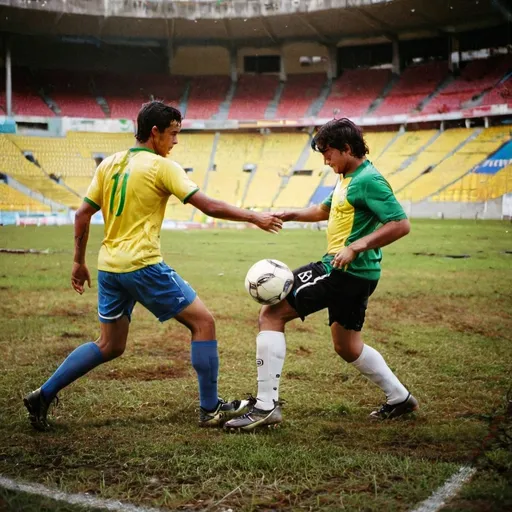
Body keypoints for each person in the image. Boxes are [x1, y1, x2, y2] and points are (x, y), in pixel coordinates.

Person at [24, 100, 283, 431]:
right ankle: (210, 409)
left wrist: (78, 262)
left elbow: (82, 213)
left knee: (110, 345)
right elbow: (208, 206)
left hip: (110, 268)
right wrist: (254, 216)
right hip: (143, 265)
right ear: (155, 132)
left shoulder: (109, 164)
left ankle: (42, 395)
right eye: (173, 134)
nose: (175, 141)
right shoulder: (162, 167)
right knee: (204, 323)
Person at [224, 118, 418, 432]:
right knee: (347, 346)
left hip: (343, 269)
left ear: (346, 148)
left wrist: (356, 246)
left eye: (328, 153)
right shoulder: (348, 178)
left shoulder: (369, 180)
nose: (325, 160)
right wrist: (289, 214)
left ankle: (265, 406)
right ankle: (400, 397)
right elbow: (323, 210)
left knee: (271, 315)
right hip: (357, 274)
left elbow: (400, 224)